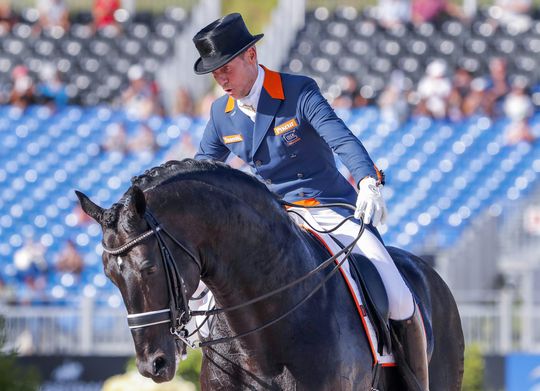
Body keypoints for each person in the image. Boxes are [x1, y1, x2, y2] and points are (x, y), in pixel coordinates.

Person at [191, 13, 429, 389]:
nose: (221, 79)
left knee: (396, 291)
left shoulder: (298, 92)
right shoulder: (222, 114)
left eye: (225, 68)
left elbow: (341, 138)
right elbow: (202, 169)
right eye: (214, 73)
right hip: (275, 220)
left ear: (251, 55)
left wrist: (367, 178)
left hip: (328, 207)